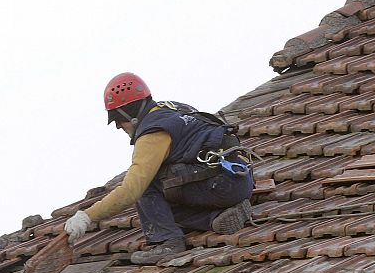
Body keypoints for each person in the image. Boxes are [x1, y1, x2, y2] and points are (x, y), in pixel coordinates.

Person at [64, 72, 254, 263]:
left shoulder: (153, 133)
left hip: (221, 184)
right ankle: (215, 219)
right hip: (241, 178)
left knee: (146, 184)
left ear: (128, 115)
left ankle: (167, 242)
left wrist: (87, 216)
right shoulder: (172, 108)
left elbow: (131, 190)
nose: (119, 127)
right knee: (160, 205)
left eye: (118, 121)